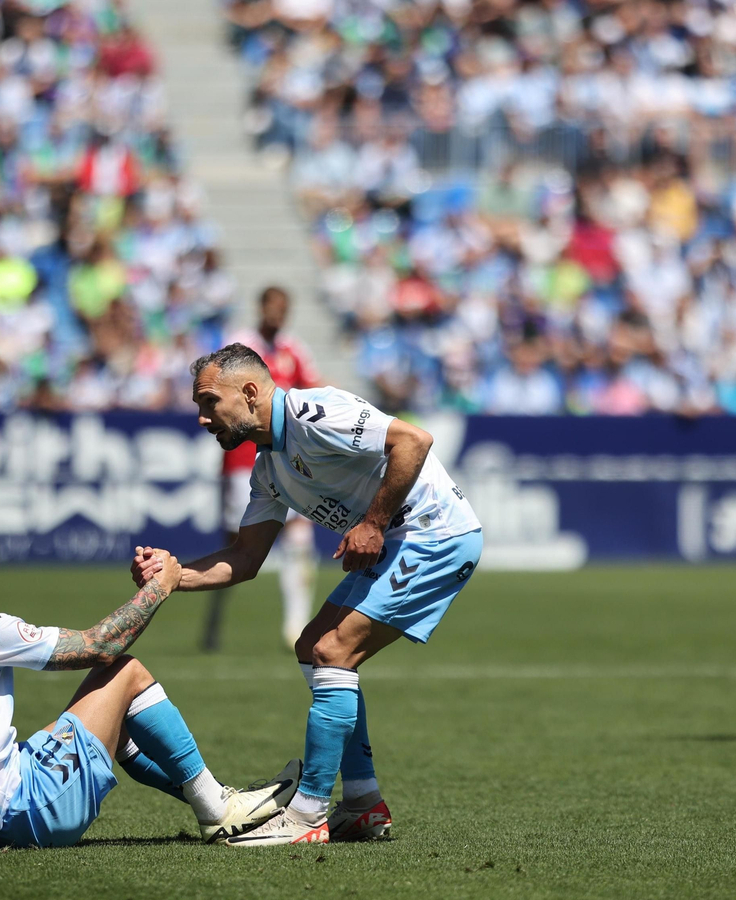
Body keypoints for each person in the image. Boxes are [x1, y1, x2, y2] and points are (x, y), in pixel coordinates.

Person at [133, 344, 483, 845]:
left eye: (210, 402)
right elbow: (245, 558)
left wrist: (373, 523)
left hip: (435, 534)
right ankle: (362, 802)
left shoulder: (315, 414)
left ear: (250, 392)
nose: (203, 419)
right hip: (399, 541)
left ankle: (308, 813)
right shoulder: (268, 469)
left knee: (332, 652)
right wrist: (171, 575)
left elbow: (414, 440)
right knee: (311, 645)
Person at [0, 539, 300, 848]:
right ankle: (219, 811)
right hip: (16, 815)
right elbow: (100, 646)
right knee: (125, 674)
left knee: (113, 714)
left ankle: (216, 796)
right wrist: (159, 587)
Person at [204, 285, 323, 653]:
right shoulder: (239, 346)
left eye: (283, 308)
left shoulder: (293, 349)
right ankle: (215, 617)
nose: (277, 314)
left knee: (299, 538)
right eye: (272, 307)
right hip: (242, 461)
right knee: (238, 544)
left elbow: (313, 392)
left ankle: (297, 625)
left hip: (287, 457)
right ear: (260, 307)